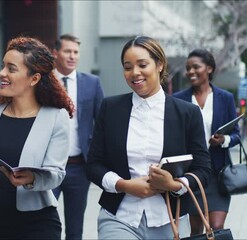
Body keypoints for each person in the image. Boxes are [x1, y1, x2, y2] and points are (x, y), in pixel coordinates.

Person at [86, 36, 212, 239]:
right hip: (119, 217)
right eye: (127, 67)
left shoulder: (187, 113)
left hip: (171, 221)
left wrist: (174, 185)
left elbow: (204, 169)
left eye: (142, 64)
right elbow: (93, 165)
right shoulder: (110, 108)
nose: (135, 72)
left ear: (160, 64)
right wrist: (123, 185)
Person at [0, 36, 74, 239]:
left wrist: (32, 179)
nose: (2, 73)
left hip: (39, 224)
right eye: (3, 66)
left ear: (34, 78)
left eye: (11, 69)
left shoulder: (56, 117)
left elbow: (57, 173)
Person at [173, 48, 240, 235]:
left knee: (216, 228)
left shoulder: (224, 98)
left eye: (196, 67)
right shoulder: (179, 100)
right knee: (196, 229)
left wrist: (223, 140)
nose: (190, 72)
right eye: (188, 68)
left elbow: (236, 135)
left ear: (209, 68)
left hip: (218, 175)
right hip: (192, 174)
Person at [51, 33, 104, 240]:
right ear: (56, 53)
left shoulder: (92, 83)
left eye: (76, 52)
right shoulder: (42, 82)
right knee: (45, 222)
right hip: (48, 166)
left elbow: (101, 123)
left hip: (79, 168)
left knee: (75, 229)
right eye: (67, 51)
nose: (72, 56)